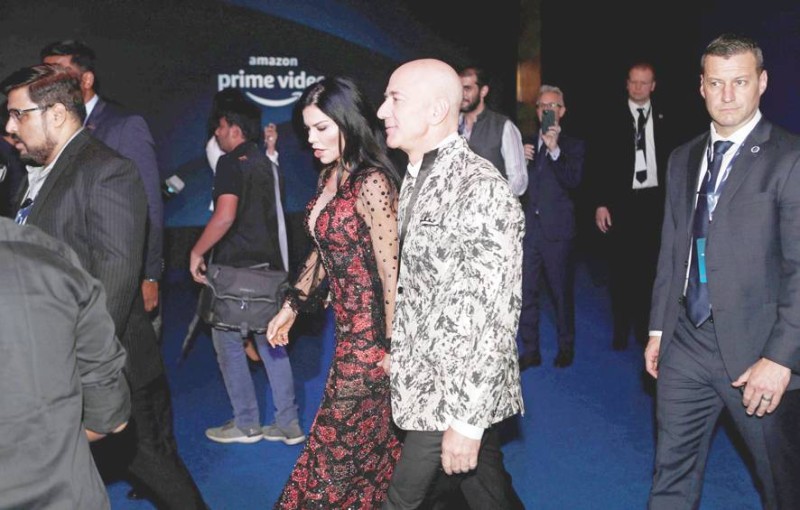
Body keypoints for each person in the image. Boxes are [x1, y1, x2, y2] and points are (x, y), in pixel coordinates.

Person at [2, 64, 207, 510]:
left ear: (56, 114)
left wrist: (73, 363)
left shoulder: (107, 170)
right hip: (51, 362)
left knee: (157, 469)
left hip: (109, 365)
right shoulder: (30, 171)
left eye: (18, 114)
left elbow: (114, 281)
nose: (9, 126)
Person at [645, 33, 800, 510]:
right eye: (716, 83)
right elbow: (672, 250)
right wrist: (658, 330)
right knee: (670, 477)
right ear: (701, 87)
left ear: (762, 83)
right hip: (685, 344)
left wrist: (780, 359)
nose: (727, 95)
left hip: (758, 353)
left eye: (740, 82)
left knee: (783, 487)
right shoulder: (683, 158)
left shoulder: (790, 159)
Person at [377, 58, 524, 509]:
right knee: (486, 492)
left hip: (454, 393)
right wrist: (402, 351)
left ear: (438, 110)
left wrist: (468, 421)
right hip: (427, 376)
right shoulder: (417, 174)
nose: (382, 111)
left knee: (402, 500)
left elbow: (495, 316)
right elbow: (426, 288)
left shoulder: (480, 187)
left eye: (395, 99)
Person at [266, 76, 402, 508]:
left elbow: (392, 274)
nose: (311, 139)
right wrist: (292, 305)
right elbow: (322, 252)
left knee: (333, 455)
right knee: (358, 456)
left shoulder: (372, 183)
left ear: (349, 122)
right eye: (308, 129)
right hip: (345, 339)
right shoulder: (331, 175)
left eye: (322, 128)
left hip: (371, 346)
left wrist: (394, 347)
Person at [189, 89, 303, 446]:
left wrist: (196, 251)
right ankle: (288, 424)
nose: (217, 133)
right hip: (270, 273)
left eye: (220, 127)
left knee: (228, 343)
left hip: (235, 273)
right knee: (273, 344)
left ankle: (246, 423)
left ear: (233, 128)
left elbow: (224, 216)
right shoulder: (268, 165)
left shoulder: (230, 163)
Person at [0, 217, 130, 509]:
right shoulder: (50, 260)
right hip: (65, 495)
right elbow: (109, 417)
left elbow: (120, 258)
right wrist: (52, 440)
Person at [40, 40, 165, 332]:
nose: (48, 81)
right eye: (44, 73)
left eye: (58, 72)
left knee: (128, 355)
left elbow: (150, 204)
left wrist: (150, 275)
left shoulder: (124, 126)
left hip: (117, 279)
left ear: (86, 80)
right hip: (65, 281)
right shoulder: (47, 129)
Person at [592, 61, 679, 350]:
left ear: (653, 86)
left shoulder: (669, 116)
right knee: (621, 269)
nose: (638, 87)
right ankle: (621, 327)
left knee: (650, 270)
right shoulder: (609, 116)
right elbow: (598, 161)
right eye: (633, 82)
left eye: (644, 83)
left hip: (655, 202)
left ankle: (645, 330)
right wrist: (601, 202)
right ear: (626, 83)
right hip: (621, 202)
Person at [517, 85, 585, 370]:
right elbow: (515, 186)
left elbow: (574, 181)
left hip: (558, 233)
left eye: (553, 106)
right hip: (529, 232)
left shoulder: (573, 145)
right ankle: (530, 350)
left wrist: (555, 150)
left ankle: (566, 347)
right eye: (542, 106)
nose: (547, 110)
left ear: (562, 111)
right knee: (526, 294)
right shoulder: (525, 143)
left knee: (560, 295)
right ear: (536, 111)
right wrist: (519, 161)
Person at [458, 65, 527, 196]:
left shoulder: (503, 126)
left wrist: (494, 200)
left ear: (483, 91)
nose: (462, 94)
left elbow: (518, 181)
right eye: (459, 89)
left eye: (467, 88)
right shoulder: (450, 125)